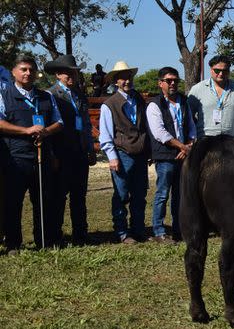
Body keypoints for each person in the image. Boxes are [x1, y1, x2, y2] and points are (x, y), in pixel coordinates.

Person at [0, 54, 63, 253]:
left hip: (41, 156)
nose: (28, 73)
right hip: (15, 158)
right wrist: (26, 131)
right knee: (13, 202)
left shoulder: (46, 96)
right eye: (23, 69)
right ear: (13, 72)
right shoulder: (4, 95)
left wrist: (46, 131)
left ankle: (44, 240)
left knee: (43, 200)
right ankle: (13, 243)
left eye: (31, 70)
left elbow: (59, 122)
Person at [45, 54, 96, 246]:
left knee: (79, 196)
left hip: (80, 152)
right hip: (61, 153)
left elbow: (85, 125)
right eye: (67, 72)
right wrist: (52, 154)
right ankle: (56, 236)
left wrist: (90, 148)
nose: (71, 75)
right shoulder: (51, 95)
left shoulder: (80, 95)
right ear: (58, 74)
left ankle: (80, 234)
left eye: (74, 72)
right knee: (59, 197)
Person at [98, 61, 149, 244]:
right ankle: (121, 232)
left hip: (141, 154)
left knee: (139, 194)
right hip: (122, 154)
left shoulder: (139, 99)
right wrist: (112, 157)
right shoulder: (109, 105)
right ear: (116, 81)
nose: (127, 80)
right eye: (122, 78)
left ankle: (138, 229)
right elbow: (105, 135)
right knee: (121, 195)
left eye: (129, 76)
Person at [147, 67, 196, 243]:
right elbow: (159, 132)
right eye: (169, 80)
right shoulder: (154, 104)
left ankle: (178, 229)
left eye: (175, 80)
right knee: (162, 194)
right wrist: (183, 146)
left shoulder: (183, 101)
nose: (173, 83)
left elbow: (191, 126)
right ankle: (159, 231)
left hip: (183, 156)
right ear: (161, 83)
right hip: (166, 157)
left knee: (180, 195)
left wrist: (189, 144)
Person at [187, 55, 234, 137]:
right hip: (206, 140)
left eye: (225, 71)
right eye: (217, 70)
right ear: (211, 70)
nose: (221, 74)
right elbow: (188, 115)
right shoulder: (197, 89)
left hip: (232, 141)